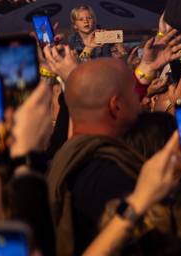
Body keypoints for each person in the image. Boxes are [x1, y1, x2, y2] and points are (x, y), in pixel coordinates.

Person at [47, 58, 144, 255]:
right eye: (135, 92)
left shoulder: (62, 161)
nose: (140, 98)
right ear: (115, 106)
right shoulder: (115, 178)